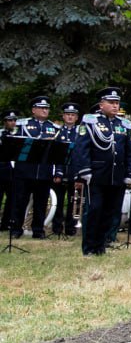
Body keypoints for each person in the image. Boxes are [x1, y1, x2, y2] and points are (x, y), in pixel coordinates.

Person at [71, 88, 131, 256]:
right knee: (94, 210)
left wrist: (129, 173)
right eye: (111, 103)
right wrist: (85, 170)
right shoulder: (91, 121)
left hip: (117, 175)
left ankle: (101, 246)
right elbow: (82, 148)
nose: (115, 106)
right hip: (97, 174)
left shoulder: (123, 124)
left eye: (117, 103)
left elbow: (129, 151)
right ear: (102, 104)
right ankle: (89, 247)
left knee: (110, 211)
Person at [10, 94, 64, 240]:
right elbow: (13, 146)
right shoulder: (22, 125)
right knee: (20, 201)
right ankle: (16, 229)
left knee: (41, 203)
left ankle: (38, 230)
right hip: (25, 170)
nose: (45, 111)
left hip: (44, 171)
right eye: (41, 108)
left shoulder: (54, 128)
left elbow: (60, 153)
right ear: (34, 110)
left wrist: (58, 170)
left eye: (47, 108)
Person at [51, 103, 80, 237]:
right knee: (58, 202)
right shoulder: (57, 132)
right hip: (60, 172)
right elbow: (54, 155)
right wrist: (57, 172)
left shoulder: (80, 133)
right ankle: (57, 227)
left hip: (74, 172)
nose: (70, 117)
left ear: (76, 117)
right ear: (63, 116)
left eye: (73, 115)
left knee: (74, 201)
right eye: (68, 114)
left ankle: (70, 228)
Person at [0, 109, 16, 232]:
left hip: (14, 168)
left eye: (14, 120)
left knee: (12, 197)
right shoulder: (1, 134)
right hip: (2, 167)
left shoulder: (18, 133)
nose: (12, 122)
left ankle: (6, 223)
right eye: (10, 120)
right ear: (4, 122)